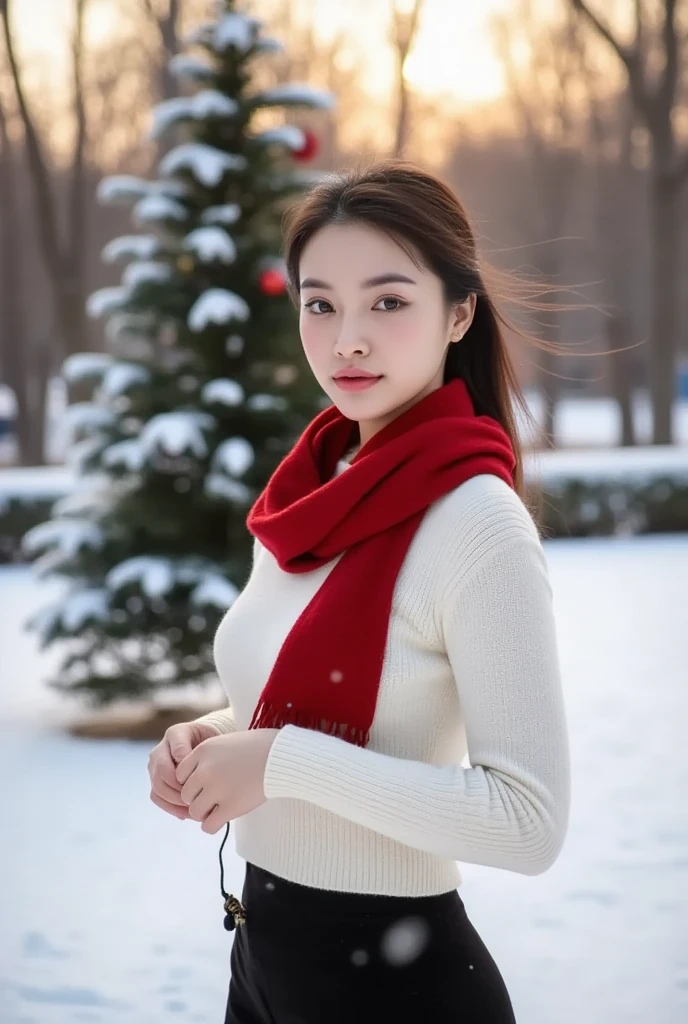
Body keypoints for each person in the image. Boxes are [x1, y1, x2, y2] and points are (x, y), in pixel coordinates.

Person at [148, 160, 571, 1023]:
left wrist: (276, 760)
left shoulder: (477, 524)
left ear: (459, 312)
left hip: (395, 984)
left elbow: (528, 821)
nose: (347, 339)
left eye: (387, 301)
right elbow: (336, 705)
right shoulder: (315, 487)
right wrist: (214, 737)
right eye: (319, 303)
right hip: (264, 959)